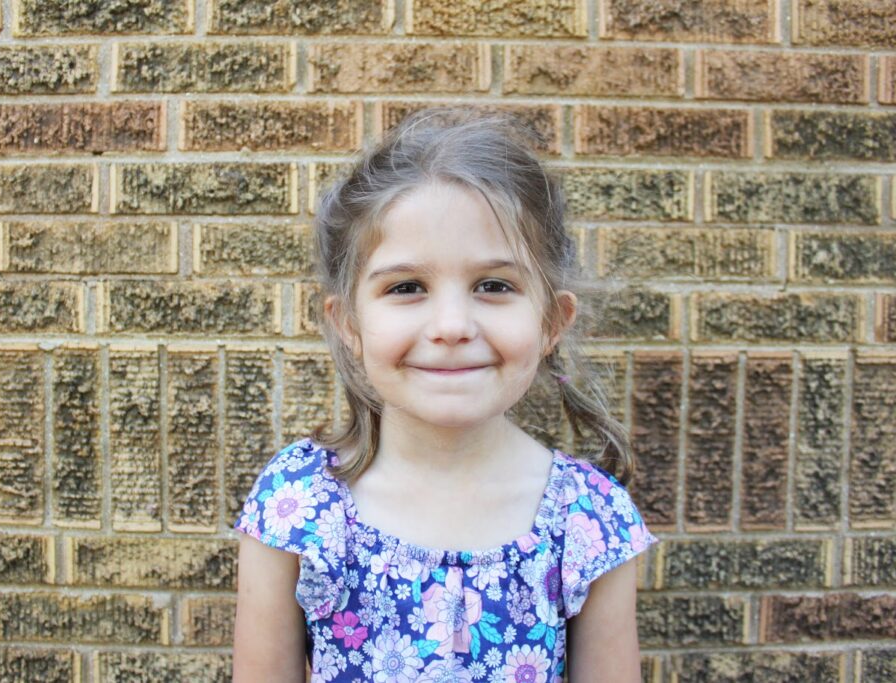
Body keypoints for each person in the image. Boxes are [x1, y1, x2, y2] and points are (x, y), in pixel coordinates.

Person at [232, 109, 657, 683]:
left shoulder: (590, 521)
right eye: (407, 287)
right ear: (348, 323)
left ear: (552, 321)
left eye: (494, 286)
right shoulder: (296, 505)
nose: (452, 325)